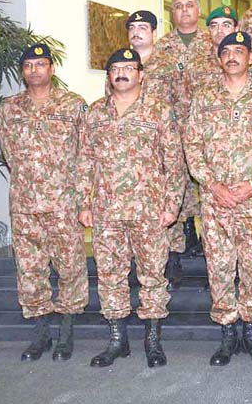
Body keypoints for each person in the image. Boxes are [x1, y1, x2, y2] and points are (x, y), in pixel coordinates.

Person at [78, 48, 186, 369]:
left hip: (149, 209)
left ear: (141, 74)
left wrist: (171, 205)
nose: (122, 73)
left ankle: (152, 341)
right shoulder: (95, 113)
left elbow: (174, 162)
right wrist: (84, 202)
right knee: (110, 275)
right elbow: (84, 161)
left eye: (129, 67)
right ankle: (117, 340)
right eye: (115, 69)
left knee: (152, 275)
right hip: (107, 210)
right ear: (109, 76)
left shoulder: (159, 111)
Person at [184, 31, 252, 366]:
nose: (232, 56)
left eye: (238, 51)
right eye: (226, 51)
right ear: (218, 58)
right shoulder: (204, 96)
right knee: (220, 267)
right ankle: (227, 333)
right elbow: (192, 146)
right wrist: (212, 185)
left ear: (250, 57)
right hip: (215, 201)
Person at [0, 43, 89, 362]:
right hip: (24, 206)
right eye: (28, 65)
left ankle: (66, 332)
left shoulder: (73, 105)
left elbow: (84, 154)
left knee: (70, 268)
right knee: (30, 270)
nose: (35, 70)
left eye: (41, 64)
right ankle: (41, 334)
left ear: (52, 68)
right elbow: (9, 153)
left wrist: (80, 197)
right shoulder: (9, 108)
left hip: (63, 204)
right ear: (23, 72)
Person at [154, 0, 214, 286]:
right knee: (176, 184)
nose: (184, 11)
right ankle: (182, 239)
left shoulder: (213, 42)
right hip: (173, 128)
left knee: (208, 181)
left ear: (199, 9)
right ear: (172, 12)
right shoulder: (162, 47)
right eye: (178, 7)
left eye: (190, 5)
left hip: (208, 127)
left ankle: (208, 236)